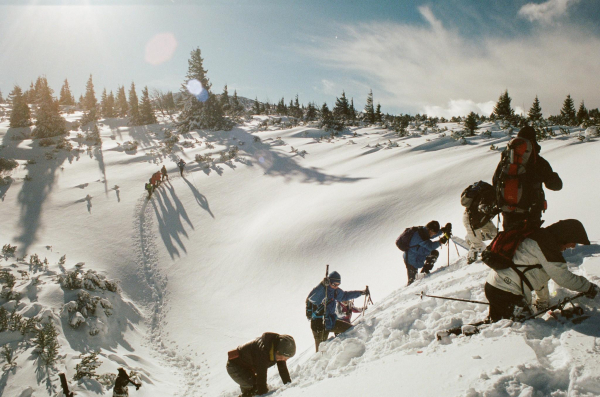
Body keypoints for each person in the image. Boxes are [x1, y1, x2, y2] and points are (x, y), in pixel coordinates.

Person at [485, 219, 600, 322]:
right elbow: (563, 278)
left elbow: (540, 274)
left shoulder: (542, 239)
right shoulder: (546, 245)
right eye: (574, 241)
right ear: (566, 236)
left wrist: (542, 301)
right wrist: (588, 287)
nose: (574, 246)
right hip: (506, 293)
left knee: (502, 323)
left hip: (496, 288)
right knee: (519, 328)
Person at [492, 125, 562, 231]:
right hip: (531, 211)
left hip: (508, 210)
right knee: (529, 241)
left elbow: (495, 181)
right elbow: (556, 186)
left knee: (509, 240)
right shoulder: (538, 162)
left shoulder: (506, 162)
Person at [306, 271, 367, 352]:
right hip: (319, 325)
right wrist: (322, 284)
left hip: (330, 321)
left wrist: (360, 293)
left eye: (338, 285)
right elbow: (312, 299)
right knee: (321, 352)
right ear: (329, 281)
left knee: (350, 329)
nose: (336, 286)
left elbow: (345, 295)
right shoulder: (322, 290)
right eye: (334, 284)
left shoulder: (335, 291)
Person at [226, 333, 295, 397]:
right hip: (235, 367)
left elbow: (282, 369)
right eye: (285, 358)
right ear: (278, 352)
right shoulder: (263, 351)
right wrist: (263, 394)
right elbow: (261, 375)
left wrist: (288, 384)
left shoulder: (276, 349)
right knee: (255, 387)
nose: (285, 360)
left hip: (247, 366)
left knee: (253, 389)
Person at [460, 181, 500, 264]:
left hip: (482, 219)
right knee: (476, 245)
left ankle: (471, 239)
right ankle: (471, 262)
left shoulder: (493, 193)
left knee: (494, 234)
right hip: (471, 220)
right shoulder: (489, 193)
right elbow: (482, 208)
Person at [403, 221, 451, 286]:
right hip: (411, 260)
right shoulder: (420, 236)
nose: (434, 234)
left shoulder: (424, 231)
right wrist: (442, 240)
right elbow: (430, 246)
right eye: (434, 233)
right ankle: (410, 293)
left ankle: (425, 272)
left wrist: (442, 231)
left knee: (434, 253)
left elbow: (430, 236)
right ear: (430, 230)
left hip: (417, 255)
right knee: (412, 283)